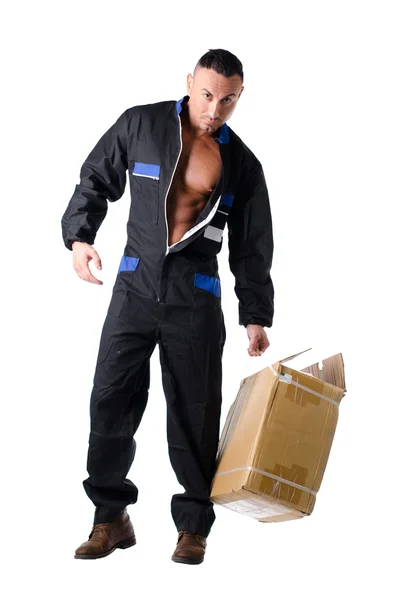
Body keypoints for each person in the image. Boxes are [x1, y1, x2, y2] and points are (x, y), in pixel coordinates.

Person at [61, 48, 274, 565]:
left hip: (195, 298)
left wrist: (255, 315)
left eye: (227, 100)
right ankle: (109, 519)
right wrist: (79, 238)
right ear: (189, 83)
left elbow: (252, 245)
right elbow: (96, 178)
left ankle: (193, 527)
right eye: (206, 95)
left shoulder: (242, 164)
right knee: (109, 403)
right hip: (134, 288)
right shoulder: (142, 125)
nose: (214, 109)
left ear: (239, 96)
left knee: (194, 417)